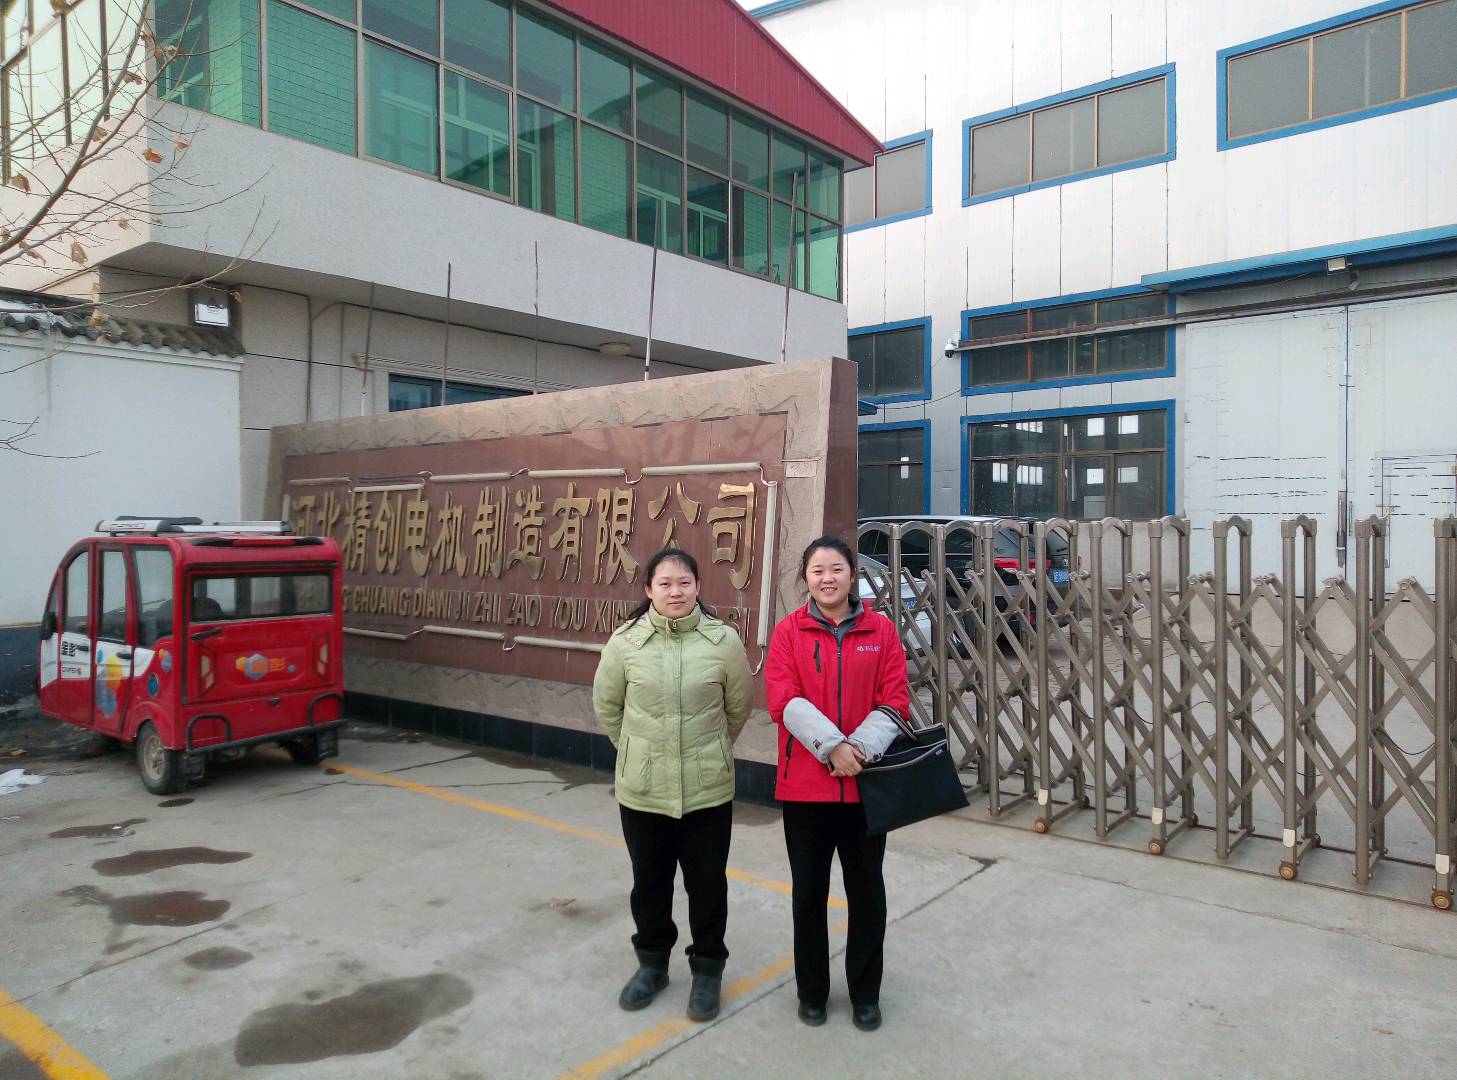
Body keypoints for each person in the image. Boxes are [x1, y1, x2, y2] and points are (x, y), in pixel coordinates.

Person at [593, 547, 753, 1023]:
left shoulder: (723, 641)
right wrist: (638, 751)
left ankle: (707, 971)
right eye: (665, 583)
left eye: (684, 582)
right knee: (650, 883)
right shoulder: (625, 643)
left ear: (698, 587)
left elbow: (738, 708)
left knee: (707, 886)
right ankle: (652, 965)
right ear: (649, 590)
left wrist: (711, 751)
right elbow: (608, 707)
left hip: (707, 790)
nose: (675, 591)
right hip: (643, 791)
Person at [764, 535, 909, 1032]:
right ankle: (812, 992)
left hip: (866, 787)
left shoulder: (881, 631)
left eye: (837, 569)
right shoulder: (789, 632)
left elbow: (895, 700)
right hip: (805, 789)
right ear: (806, 579)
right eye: (817, 571)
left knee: (867, 893)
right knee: (809, 893)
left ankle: (866, 993)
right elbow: (784, 700)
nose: (827, 578)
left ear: (852, 574)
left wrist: (859, 750)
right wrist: (833, 748)